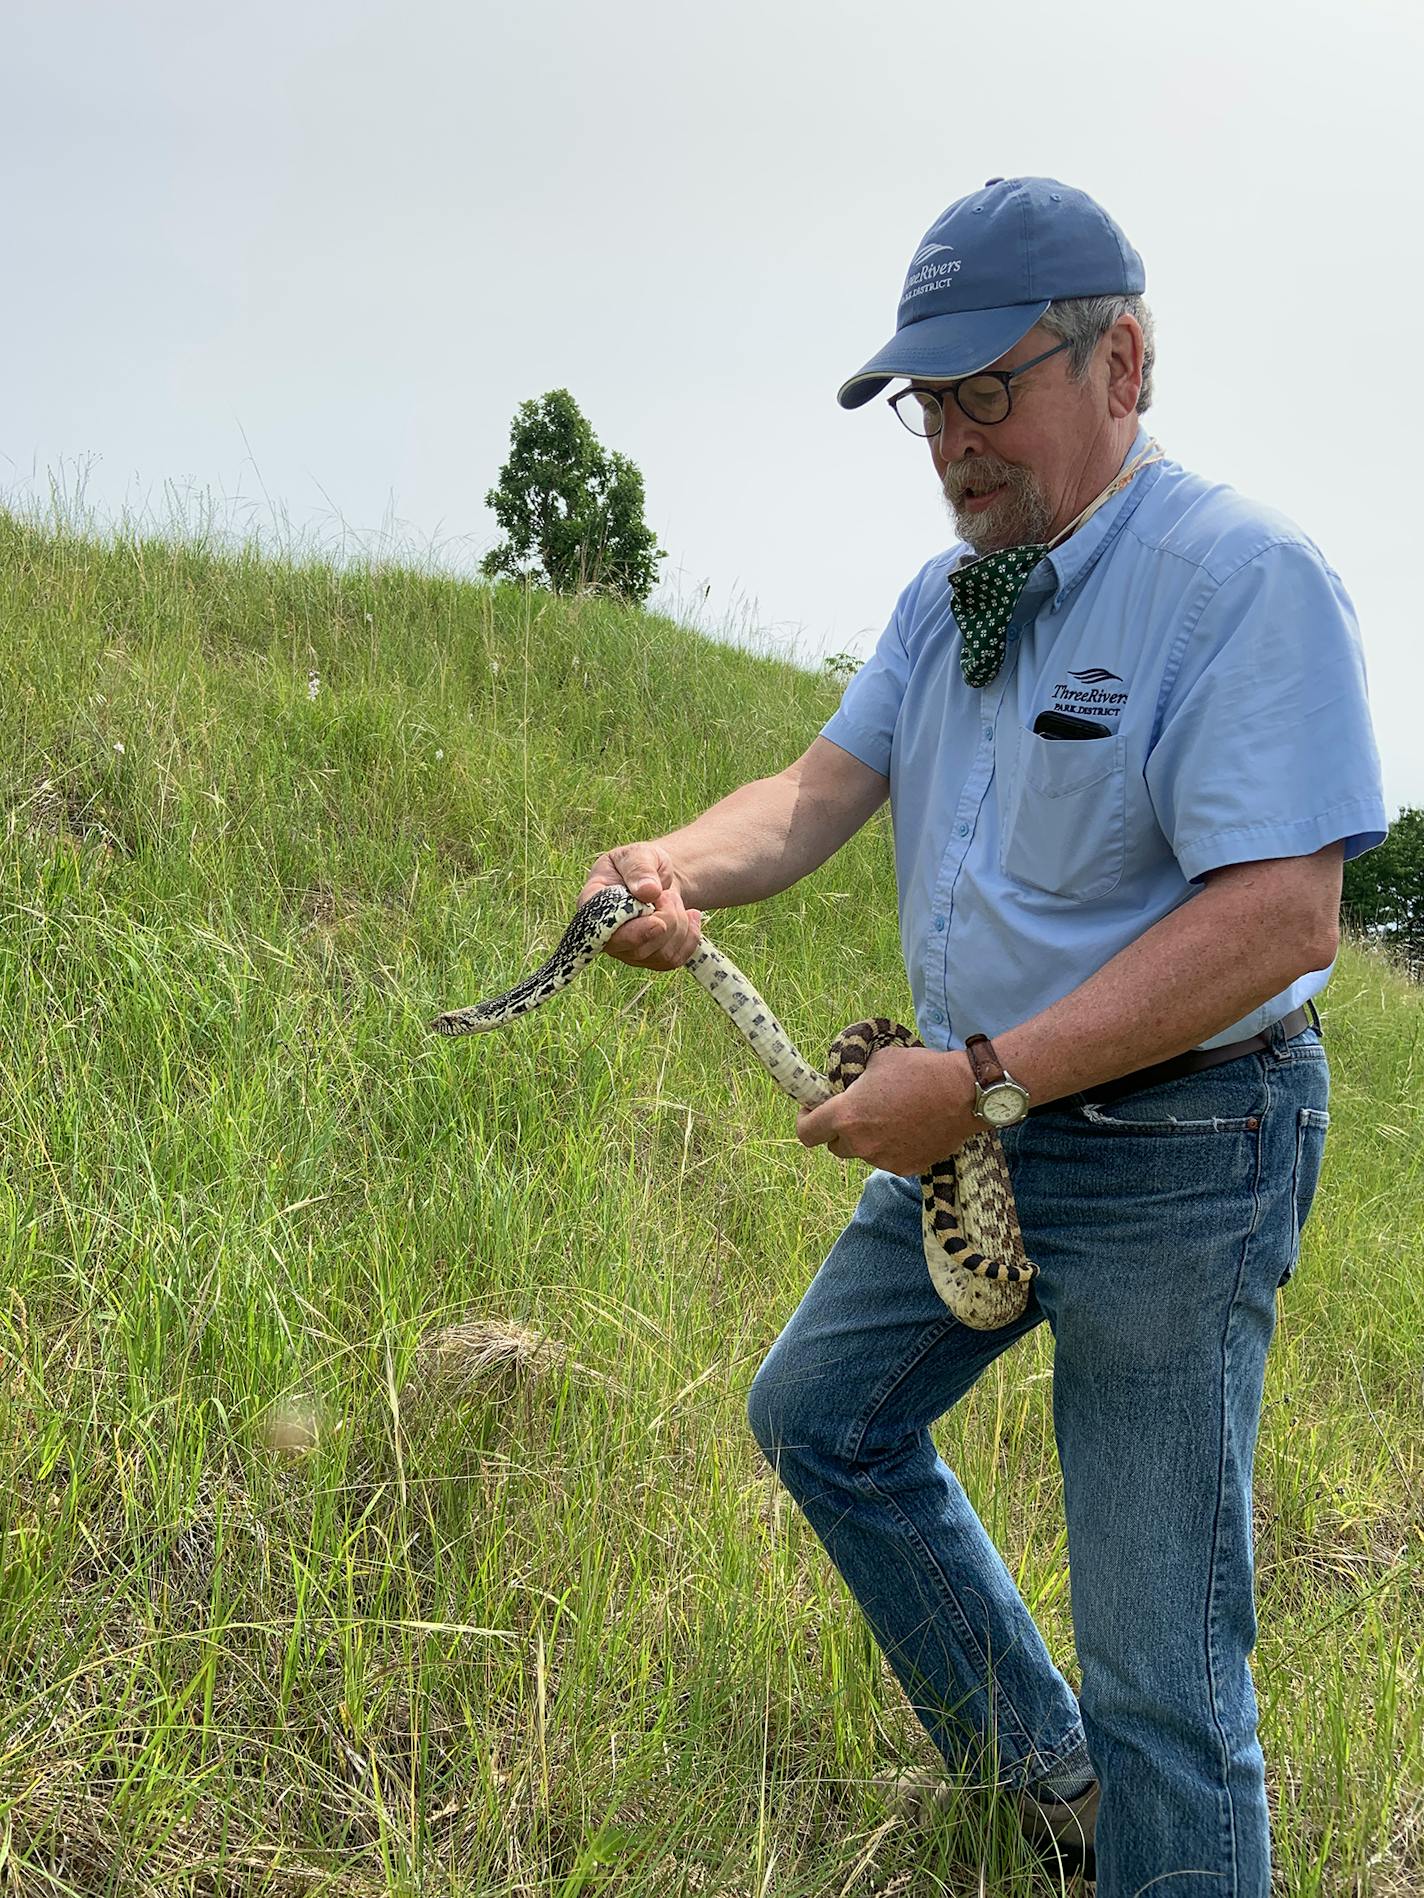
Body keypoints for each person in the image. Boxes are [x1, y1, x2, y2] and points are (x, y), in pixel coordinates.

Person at [578, 177, 1389, 1894]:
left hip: (1183, 1146)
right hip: (980, 1124)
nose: (955, 440)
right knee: (824, 1415)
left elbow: (1280, 919)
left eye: (989, 390)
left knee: (1167, 1661)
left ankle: (1147, 1810)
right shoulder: (949, 604)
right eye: (929, 405)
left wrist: (985, 1075)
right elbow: (811, 795)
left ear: (1126, 365)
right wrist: (670, 864)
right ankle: (1054, 1795)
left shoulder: (1239, 581)